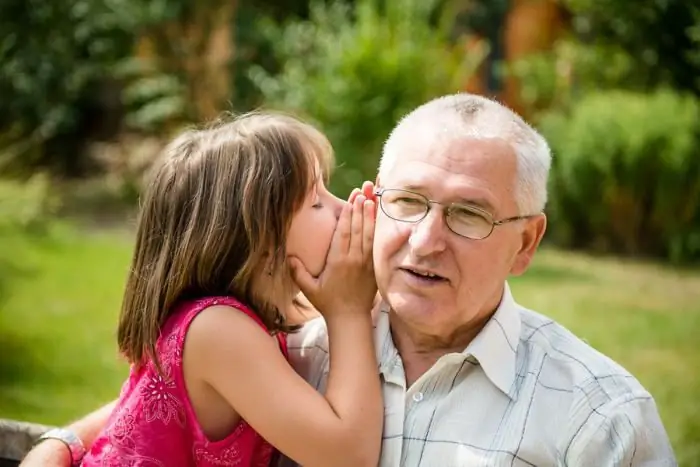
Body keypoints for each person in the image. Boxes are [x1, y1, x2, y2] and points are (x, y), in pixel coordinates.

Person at [22, 94, 676, 467]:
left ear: (526, 241)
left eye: (468, 213)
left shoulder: (602, 422)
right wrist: (56, 444)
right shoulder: (300, 348)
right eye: (407, 201)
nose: (426, 239)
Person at [30, 111, 384, 467]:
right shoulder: (218, 329)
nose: (343, 207)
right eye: (316, 202)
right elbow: (349, 458)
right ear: (259, 240)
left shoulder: (246, 314)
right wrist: (347, 312)